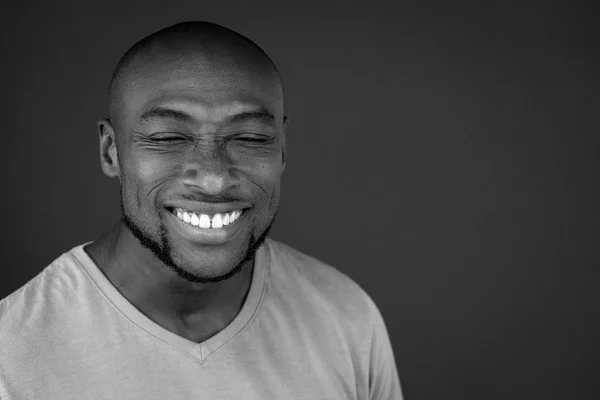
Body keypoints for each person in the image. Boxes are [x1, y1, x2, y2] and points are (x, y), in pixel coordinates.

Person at [0, 21, 402, 399]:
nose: (213, 178)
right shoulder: (12, 355)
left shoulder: (346, 317)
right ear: (111, 151)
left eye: (249, 136)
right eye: (168, 137)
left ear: (282, 148)